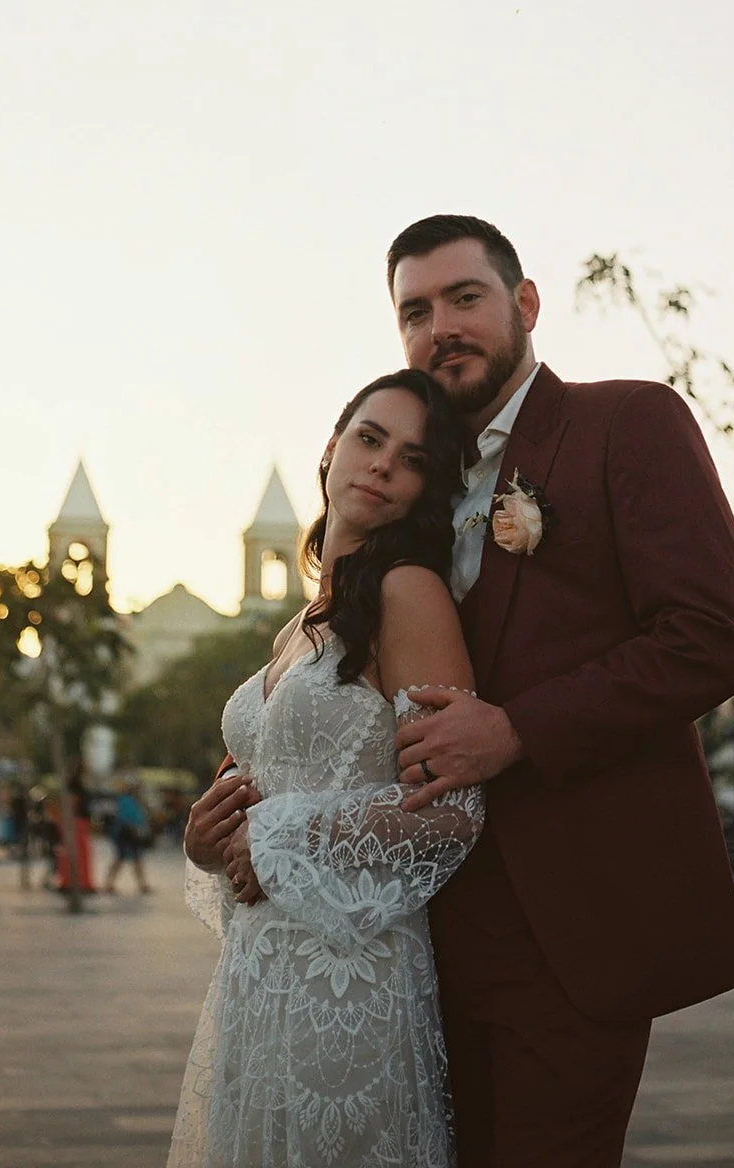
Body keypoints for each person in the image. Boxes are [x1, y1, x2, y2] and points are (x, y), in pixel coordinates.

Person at [386, 215, 734, 1168]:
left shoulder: (626, 423)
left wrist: (517, 730)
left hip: (573, 922)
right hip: (422, 932)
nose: (442, 330)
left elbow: (714, 636)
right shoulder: (410, 487)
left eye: (464, 298)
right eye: (415, 312)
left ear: (525, 304)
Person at [169, 369, 483, 1168]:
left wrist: (279, 831)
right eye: (369, 439)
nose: (381, 465)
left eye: (411, 458)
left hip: (348, 979)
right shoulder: (301, 626)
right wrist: (212, 836)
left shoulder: (409, 595)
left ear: (427, 487)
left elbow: (452, 810)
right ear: (332, 450)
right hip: (258, 972)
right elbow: (267, 789)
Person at [103, 777, 154, 894]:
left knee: (131, 859)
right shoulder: (127, 800)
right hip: (126, 835)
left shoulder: (129, 800)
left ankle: (141, 885)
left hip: (128, 835)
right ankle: (110, 884)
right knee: (124, 859)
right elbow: (129, 818)